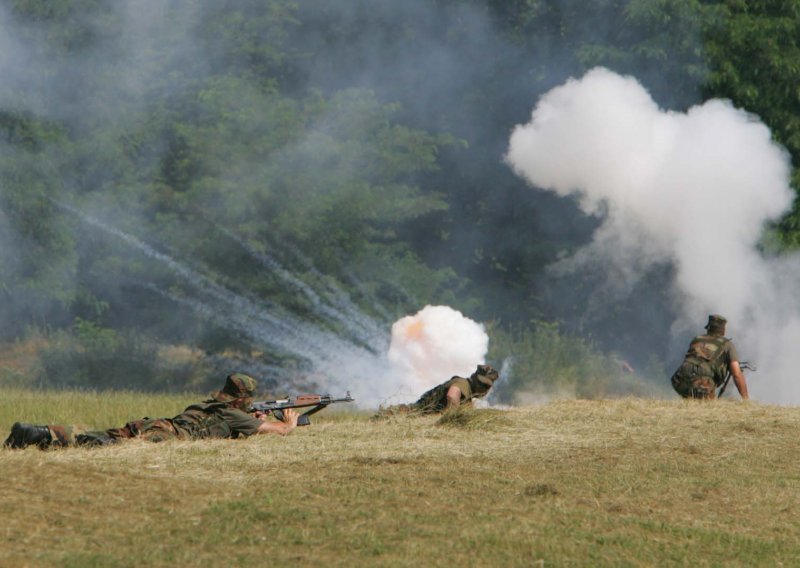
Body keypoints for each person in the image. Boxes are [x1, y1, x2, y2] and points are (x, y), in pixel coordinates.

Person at [4, 373, 299, 449]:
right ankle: (38, 434)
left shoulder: (209, 406)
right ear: (242, 400)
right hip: (165, 436)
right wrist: (289, 423)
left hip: (157, 424)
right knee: (107, 446)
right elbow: (278, 430)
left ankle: (37, 433)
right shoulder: (234, 415)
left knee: (91, 438)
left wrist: (252, 419)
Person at [670, 315, 749, 400]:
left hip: (679, 379)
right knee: (709, 406)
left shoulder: (696, 339)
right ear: (723, 330)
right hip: (702, 384)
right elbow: (737, 374)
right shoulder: (727, 345)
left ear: (708, 327)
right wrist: (746, 399)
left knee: (691, 399)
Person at [376, 364, 500, 417]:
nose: (486, 389)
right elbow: (452, 395)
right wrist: (453, 418)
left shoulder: (467, 395)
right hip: (415, 413)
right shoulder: (462, 384)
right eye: (485, 386)